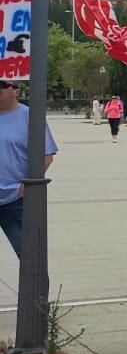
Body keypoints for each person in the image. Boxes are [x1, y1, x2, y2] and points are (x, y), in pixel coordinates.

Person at [0, 80, 56, 255]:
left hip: (15, 199)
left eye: (2, 85)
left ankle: (36, 284)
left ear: (16, 90)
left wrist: (27, 186)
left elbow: (46, 156)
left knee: (28, 255)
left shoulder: (30, 117)